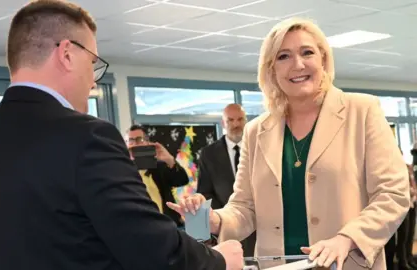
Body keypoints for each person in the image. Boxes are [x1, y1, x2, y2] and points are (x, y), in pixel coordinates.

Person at [0, 1, 243, 270]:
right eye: (92, 63)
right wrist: (218, 260)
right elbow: (150, 246)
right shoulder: (88, 138)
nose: (92, 84)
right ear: (67, 54)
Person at [168, 17, 410, 270]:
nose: (298, 64)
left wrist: (347, 238)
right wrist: (212, 219)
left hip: (346, 263)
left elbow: (392, 194)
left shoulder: (362, 111)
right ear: (271, 68)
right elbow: (243, 207)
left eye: (307, 52)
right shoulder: (256, 131)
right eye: (283, 56)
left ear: (323, 60)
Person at [197, 103, 256, 256]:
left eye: (240, 119)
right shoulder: (208, 154)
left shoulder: (259, 148)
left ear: (246, 121)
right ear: (223, 123)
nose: (236, 124)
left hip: (258, 226)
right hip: (224, 228)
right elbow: (205, 192)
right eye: (230, 120)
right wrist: (224, 217)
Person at [126, 124, 189, 227]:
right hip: (141, 228)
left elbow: (182, 180)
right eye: (130, 140)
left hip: (170, 226)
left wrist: (169, 159)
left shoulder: (159, 166)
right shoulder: (123, 172)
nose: (135, 144)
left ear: (147, 142)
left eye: (139, 140)